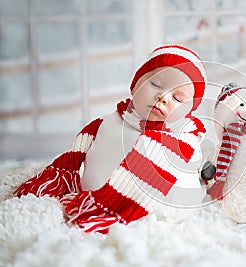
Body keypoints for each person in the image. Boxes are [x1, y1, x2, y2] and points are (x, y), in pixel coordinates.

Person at [14, 45, 208, 233]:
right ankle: (101, 201)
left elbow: (188, 191)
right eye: (156, 84)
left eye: (178, 98)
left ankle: (116, 206)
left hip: (157, 211)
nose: (163, 97)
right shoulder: (108, 123)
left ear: (187, 112)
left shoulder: (184, 142)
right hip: (94, 194)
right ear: (134, 86)